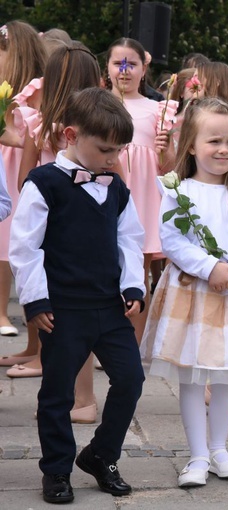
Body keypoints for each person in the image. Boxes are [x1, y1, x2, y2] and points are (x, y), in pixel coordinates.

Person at [10, 87, 144, 504]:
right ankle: (56, 470)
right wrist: (35, 301)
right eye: (105, 149)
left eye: (119, 150)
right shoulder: (45, 183)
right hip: (62, 309)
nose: (113, 159)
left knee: (131, 379)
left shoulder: (116, 187)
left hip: (109, 305)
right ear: (71, 134)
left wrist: (133, 285)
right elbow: (24, 246)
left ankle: (101, 455)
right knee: (57, 392)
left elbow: (131, 240)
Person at [141, 97, 228, 488]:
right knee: (193, 378)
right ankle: (197, 454)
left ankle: (219, 448)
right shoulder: (180, 193)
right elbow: (173, 241)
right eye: (214, 141)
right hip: (191, 296)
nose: (223, 149)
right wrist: (208, 267)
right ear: (192, 145)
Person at [15, 43, 104, 422]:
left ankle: (73, 398)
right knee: (80, 315)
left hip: (51, 229)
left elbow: (24, 180)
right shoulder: (100, 125)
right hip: (90, 227)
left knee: (57, 316)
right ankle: (81, 397)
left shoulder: (39, 124)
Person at [104, 37, 177, 342]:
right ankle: (105, 337)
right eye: (118, 63)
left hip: (143, 197)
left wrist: (164, 148)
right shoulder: (98, 103)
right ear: (106, 67)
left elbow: (169, 166)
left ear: (144, 68)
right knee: (105, 267)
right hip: (107, 192)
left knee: (140, 270)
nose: (124, 71)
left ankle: (133, 340)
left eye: (131, 64)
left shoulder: (157, 109)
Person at [0, 20, 46, 371]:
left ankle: (38, 347)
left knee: (26, 253)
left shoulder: (33, 89)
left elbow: (32, 131)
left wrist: (11, 137)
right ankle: (32, 346)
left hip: (22, 165)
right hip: (7, 164)